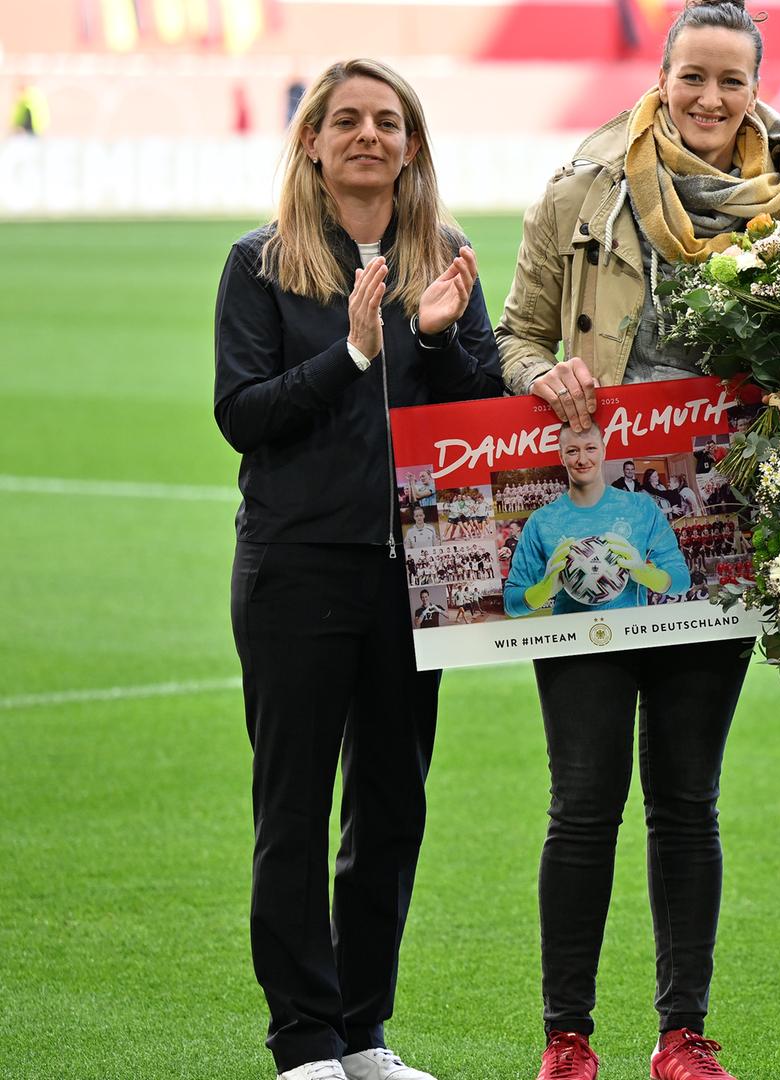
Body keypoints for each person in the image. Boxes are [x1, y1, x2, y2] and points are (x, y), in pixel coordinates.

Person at [492, 2, 780, 1077]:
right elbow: (515, 335)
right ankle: (567, 1037)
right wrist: (544, 376)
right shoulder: (581, 187)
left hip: (720, 541)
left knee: (687, 802)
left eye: (732, 80)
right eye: (694, 77)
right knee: (583, 801)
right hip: (595, 525)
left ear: (756, 87)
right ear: (662, 78)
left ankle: (683, 1032)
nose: (711, 99)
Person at [213, 57, 501, 1080]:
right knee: (292, 809)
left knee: (391, 808)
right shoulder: (261, 264)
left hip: (418, 573)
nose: (368, 136)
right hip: (299, 567)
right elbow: (242, 414)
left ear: (412, 145)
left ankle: (364, 1033)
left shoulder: (448, 258)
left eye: (387, 120)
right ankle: (303, 1040)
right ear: (313, 142)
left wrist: (440, 340)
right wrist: (354, 355)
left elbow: (481, 412)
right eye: (347, 120)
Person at [503, 421, 687, 615]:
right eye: (572, 451)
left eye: (590, 448)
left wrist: (644, 573)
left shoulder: (641, 506)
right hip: (571, 633)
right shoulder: (540, 521)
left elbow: (682, 579)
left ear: (603, 451)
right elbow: (511, 603)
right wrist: (545, 589)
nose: (582, 460)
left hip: (632, 630)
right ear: (561, 456)